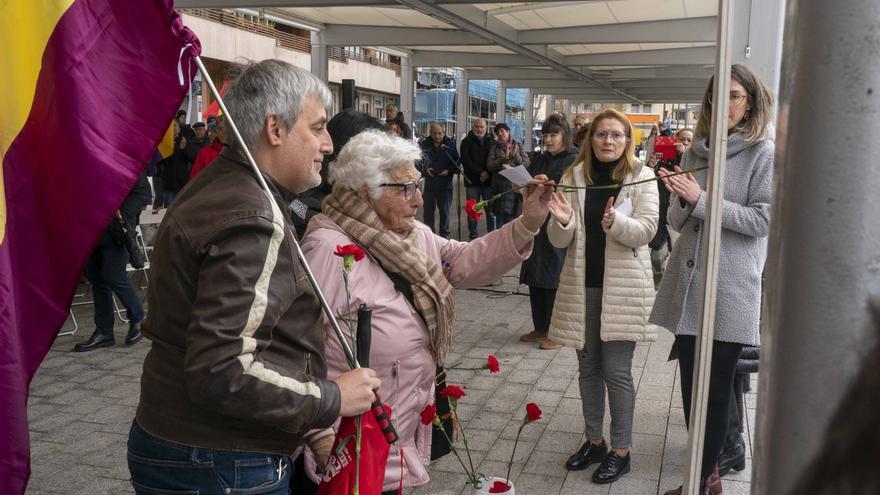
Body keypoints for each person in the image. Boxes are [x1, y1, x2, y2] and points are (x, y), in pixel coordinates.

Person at [127, 60, 382, 495]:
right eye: (318, 127)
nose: (328, 144)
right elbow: (221, 369)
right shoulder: (253, 217)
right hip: (223, 458)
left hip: (190, 445)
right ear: (275, 129)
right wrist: (332, 397)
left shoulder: (228, 185)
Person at [301, 129, 553, 493]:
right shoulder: (328, 250)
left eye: (417, 185)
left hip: (395, 437)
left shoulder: (411, 234)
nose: (419, 199)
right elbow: (297, 351)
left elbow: (463, 262)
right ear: (364, 191)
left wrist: (528, 223)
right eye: (406, 188)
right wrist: (321, 437)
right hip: (350, 447)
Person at [651, 63, 775, 495]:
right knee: (690, 388)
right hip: (689, 283)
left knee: (717, 389)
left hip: (731, 288)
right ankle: (706, 478)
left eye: (733, 95)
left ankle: (700, 482)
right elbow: (676, 221)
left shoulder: (764, 153)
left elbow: (762, 220)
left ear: (750, 103)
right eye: (715, 95)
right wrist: (682, 200)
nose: (722, 103)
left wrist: (700, 199)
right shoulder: (696, 151)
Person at [546, 108, 659, 485]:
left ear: (628, 140)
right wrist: (563, 221)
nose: (608, 140)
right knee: (588, 369)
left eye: (616, 134)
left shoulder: (642, 176)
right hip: (583, 286)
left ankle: (621, 451)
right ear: (590, 138)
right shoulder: (574, 177)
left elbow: (647, 230)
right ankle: (594, 442)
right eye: (601, 134)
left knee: (617, 371)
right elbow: (558, 239)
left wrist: (616, 223)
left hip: (624, 291)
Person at [73, 171, 151, 352]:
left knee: (114, 276)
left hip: (116, 233)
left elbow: (142, 192)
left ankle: (138, 318)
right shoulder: (86, 163)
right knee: (97, 282)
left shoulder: (126, 162)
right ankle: (104, 332)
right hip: (90, 230)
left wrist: (122, 216)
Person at [519, 114, 578, 351]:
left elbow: (568, 191)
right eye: (545, 135)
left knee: (555, 277)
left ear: (565, 135)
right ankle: (541, 326)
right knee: (535, 274)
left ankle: (557, 331)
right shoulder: (540, 159)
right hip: (536, 222)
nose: (548, 140)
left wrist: (545, 184)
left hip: (558, 222)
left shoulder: (574, 160)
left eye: (554, 135)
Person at [648, 127, 694, 286]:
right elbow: (650, 183)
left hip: (680, 219)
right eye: (682, 139)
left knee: (678, 259)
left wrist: (683, 156)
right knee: (657, 256)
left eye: (689, 140)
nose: (685, 143)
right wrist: (650, 166)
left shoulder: (695, 162)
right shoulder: (663, 159)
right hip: (661, 214)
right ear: (675, 140)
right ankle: (659, 288)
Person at [419, 122, 459, 237]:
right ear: (430, 133)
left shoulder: (450, 145)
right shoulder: (424, 144)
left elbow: (457, 162)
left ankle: (444, 234)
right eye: (434, 133)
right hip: (429, 184)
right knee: (428, 211)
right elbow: (418, 161)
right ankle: (429, 234)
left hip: (445, 184)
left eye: (440, 133)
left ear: (444, 133)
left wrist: (449, 171)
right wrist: (425, 169)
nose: (437, 136)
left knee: (444, 211)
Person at [487, 122, 530, 227]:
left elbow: (527, 163)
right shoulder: (494, 147)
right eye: (498, 132)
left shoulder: (518, 145)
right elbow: (489, 166)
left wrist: (516, 157)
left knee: (514, 220)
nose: (500, 134)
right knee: (500, 221)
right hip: (499, 186)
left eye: (502, 131)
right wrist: (503, 160)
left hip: (514, 186)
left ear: (508, 131)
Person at [459, 118, 495, 239]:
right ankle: (473, 234)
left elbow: (493, 159)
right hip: (472, 183)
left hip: (488, 183)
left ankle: (492, 234)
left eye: (481, 127)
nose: (479, 129)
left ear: (486, 128)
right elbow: (466, 161)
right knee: (472, 210)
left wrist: (487, 172)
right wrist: (481, 172)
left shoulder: (492, 141)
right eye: (477, 127)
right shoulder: (466, 142)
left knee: (490, 210)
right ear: (473, 127)